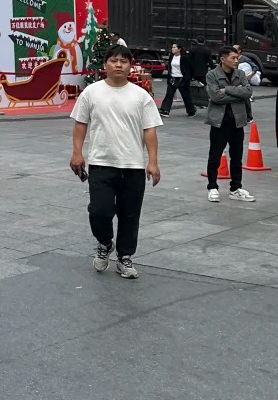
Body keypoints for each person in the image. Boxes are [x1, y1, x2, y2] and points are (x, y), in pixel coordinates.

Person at [69, 43, 161, 280]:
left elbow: (149, 130)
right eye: (114, 61)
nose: (118, 65)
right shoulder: (91, 92)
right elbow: (80, 125)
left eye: (124, 61)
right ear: (105, 65)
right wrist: (77, 153)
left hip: (133, 165)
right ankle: (104, 243)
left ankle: (125, 257)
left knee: (130, 215)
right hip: (101, 163)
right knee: (99, 211)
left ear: (130, 66)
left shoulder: (141, 96)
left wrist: (153, 162)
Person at [205, 46, 256, 203]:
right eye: (233, 58)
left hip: (237, 121)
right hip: (219, 122)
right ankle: (212, 187)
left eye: (237, 58)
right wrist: (237, 93)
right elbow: (215, 97)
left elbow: (248, 92)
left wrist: (226, 89)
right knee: (215, 156)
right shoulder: (212, 75)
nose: (236, 61)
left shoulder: (240, 73)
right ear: (222, 59)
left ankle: (236, 188)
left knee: (237, 156)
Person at [159, 42, 196, 117]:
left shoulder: (185, 57)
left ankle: (191, 110)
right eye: (172, 47)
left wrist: (189, 77)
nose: (172, 49)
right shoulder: (171, 56)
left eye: (174, 47)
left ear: (179, 49)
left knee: (186, 96)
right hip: (172, 78)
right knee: (169, 94)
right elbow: (169, 66)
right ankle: (165, 110)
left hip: (182, 79)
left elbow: (191, 68)